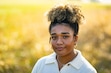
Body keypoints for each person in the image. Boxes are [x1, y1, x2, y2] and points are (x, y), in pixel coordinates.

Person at [32, 4, 97, 73]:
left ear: (75, 39)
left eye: (65, 36)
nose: (59, 42)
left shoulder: (87, 70)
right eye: (54, 37)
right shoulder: (41, 64)